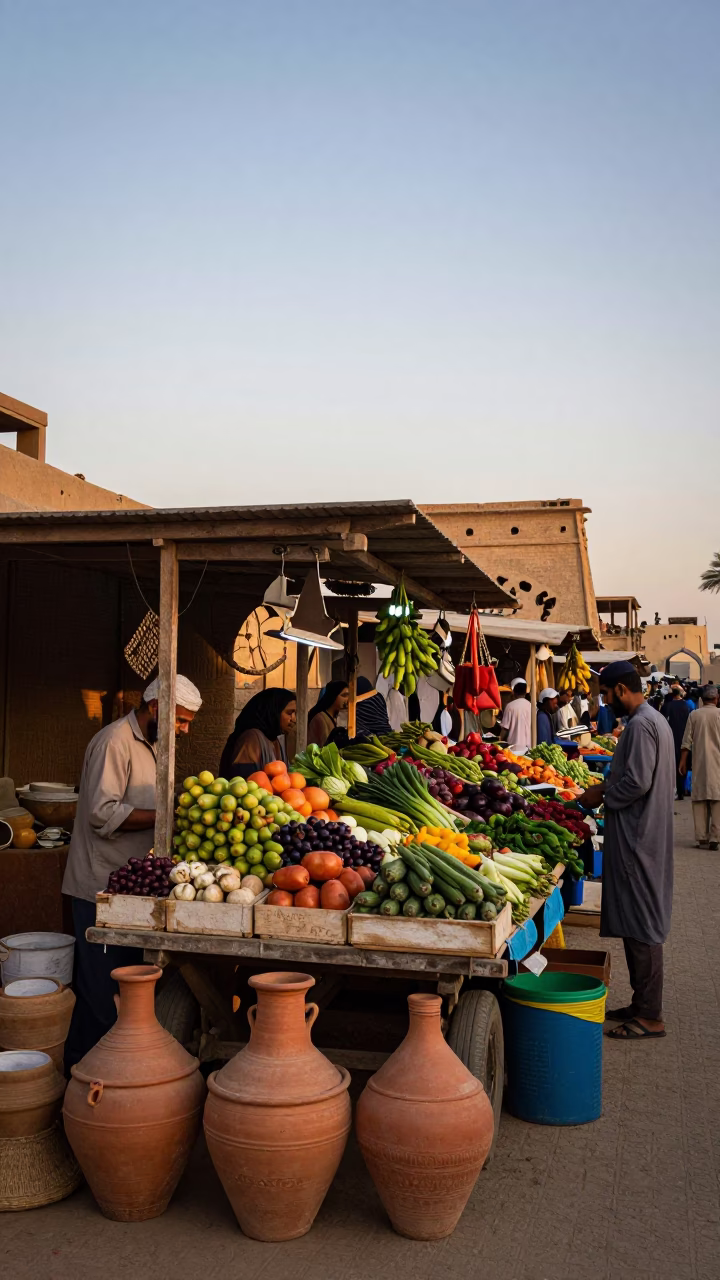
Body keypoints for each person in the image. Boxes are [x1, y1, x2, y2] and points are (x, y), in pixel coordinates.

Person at [63, 674, 203, 1069]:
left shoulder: (156, 744)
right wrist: (166, 818)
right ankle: (82, 1076)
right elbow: (100, 813)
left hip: (129, 892)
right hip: (99, 890)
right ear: (157, 707)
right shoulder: (114, 743)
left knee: (126, 992)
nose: (185, 730)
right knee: (100, 995)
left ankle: (114, 1076)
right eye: (181, 720)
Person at [578, 661, 674, 1041]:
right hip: (645, 834)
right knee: (638, 921)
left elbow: (635, 782)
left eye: (605, 694)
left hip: (639, 838)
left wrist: (600, 796)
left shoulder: (639, 725)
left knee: (644, 924)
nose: (604, 701)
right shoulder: (653, 720)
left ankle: (651, 1015)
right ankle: (640, 1003)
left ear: (619, 690)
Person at [219, 688, 297, 778]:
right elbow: (246, 781)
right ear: (273, 712)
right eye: (289, 713)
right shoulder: (251, 739)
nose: (294, 719)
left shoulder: (275, 739)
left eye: (295, 713)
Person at [679, 685, 720, 849]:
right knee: (717, 799)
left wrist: (682, 762)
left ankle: (702, 836)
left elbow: (686, 742)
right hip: (718, 764)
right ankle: (715, 837)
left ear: (702, 700)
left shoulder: (694, 715)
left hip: (700, 762)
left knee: (700, 799)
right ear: (716, 699)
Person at [661, 686, 691, 801]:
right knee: (682, 764)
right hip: (683, 738)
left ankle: (673, 790)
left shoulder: (667, 706)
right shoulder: (686, 706)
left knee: (671, 765)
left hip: (670, 739)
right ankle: (681, 790)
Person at [307, 680, 349, 747]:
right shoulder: (320, 719)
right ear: (334, 696)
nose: (347, 699)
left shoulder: (335, 717)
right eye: (344, 695)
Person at [498, 678, 532, 754]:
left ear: (513, 692)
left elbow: (505, 729)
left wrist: (498, 742)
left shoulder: (510, 706)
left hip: (514, 749)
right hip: (529, 748)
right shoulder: (532, 706)